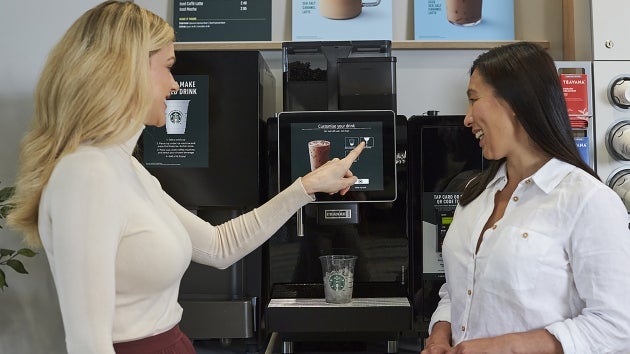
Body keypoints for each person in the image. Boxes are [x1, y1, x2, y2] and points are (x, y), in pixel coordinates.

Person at [5, 1, 365, 353]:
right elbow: (88, 344)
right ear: (125, 70)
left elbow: (220, 246)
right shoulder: (85, 174)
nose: (175, 85)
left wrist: (307, 186)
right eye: (167, 67)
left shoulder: (124, 167)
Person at [421, 42, 630, 354]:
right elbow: (459, 288)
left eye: (474, 100)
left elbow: (616, 327)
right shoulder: (475, 192)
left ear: (515, 101)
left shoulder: (589, 201)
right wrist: (439, 336)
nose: (466, 119)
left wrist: (498, 348)